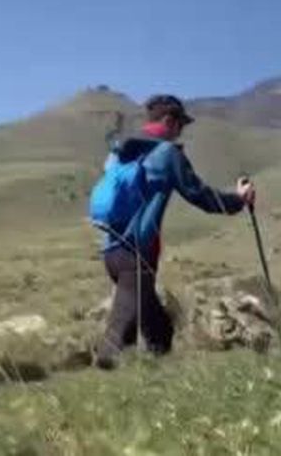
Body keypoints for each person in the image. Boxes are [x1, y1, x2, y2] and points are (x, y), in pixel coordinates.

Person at [91, 94, 256, 369]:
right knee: (118, 336)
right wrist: (239, 199)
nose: (181, 131)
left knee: (157, 329)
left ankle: (149, 382)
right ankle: (101, 387)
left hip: (112, 251)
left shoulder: (120, 153)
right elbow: (204, 197)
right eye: (180, 125)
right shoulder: (166, 154)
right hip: (137, 255)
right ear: (169, 121)